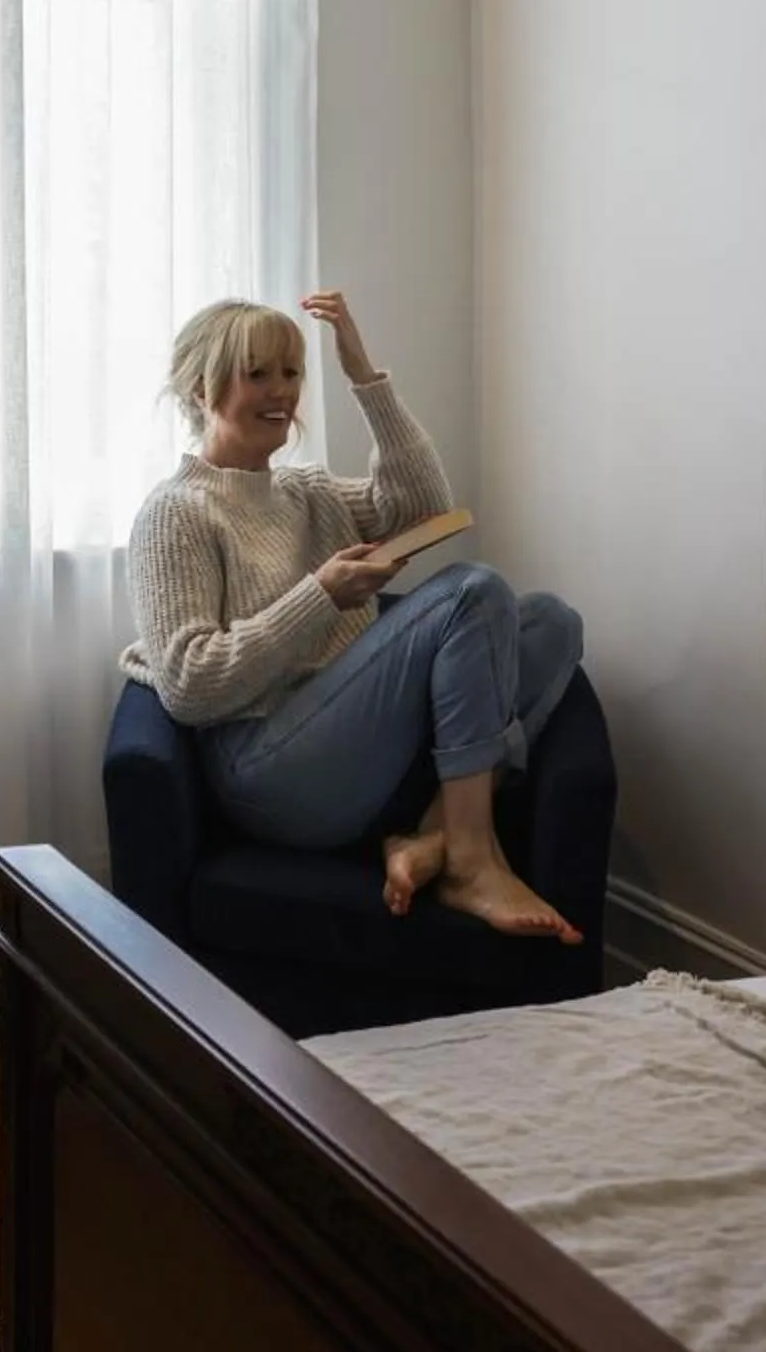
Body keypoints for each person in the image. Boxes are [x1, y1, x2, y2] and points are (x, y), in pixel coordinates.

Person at [122, 291, 584, 942]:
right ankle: (472, 860)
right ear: (202, 389)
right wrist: (322, 595)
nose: (281, 391)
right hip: (267, 773)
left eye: (290, 373)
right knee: (471, 591)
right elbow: (190, 687)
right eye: (257, 373)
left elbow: (424, 506)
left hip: (359, 753)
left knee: (548, 622)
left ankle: (433, 837)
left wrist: (364, 378)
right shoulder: (177, 513)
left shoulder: (304, 491)